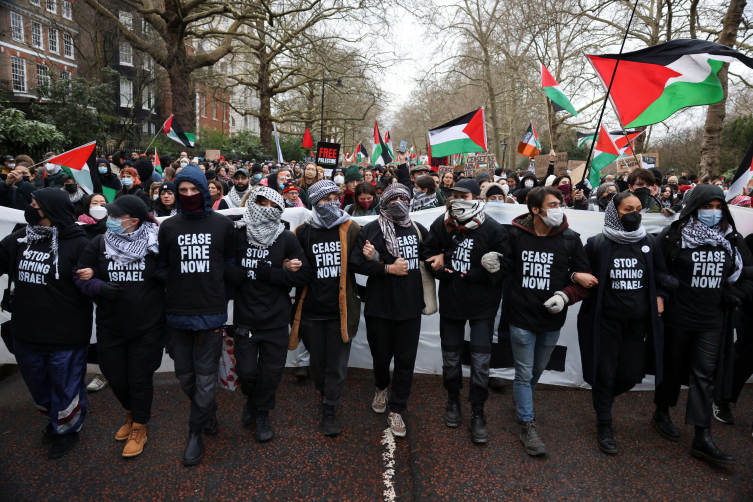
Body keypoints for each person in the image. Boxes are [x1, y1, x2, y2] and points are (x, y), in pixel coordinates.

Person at [652, 184, 753, 466]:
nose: (713, 212)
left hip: (713, 321)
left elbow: (748, 273)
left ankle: (702, 436)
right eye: (706, 206)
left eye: (718, 206)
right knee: (672, 368)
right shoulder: (674, 235)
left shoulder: (731, 238)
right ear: (694, 207)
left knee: (704, 375)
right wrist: (663, 288)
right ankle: (661, 412)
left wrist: (740, 293)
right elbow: (656, 269)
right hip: (678, 317)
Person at [578, 193, 673, 454]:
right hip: (606, 322)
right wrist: (578, 275)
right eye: (628, 209)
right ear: (614, 212)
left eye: (640, 209)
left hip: (637, 324)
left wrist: (660, 296)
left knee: (631, 375)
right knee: (605, 372)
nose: (635, 214)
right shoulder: (596, 244)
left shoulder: (649, 243)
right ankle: (604, 422)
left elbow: (662, 275)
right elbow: (578, 270)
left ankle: (602, 400)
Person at [0, 189, 92, 458]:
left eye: (34, 204)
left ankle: (66, 431)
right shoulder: (20, 239)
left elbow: (95, 286)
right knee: (39, 388)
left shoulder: (79, 244)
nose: (29, 208)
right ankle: (54, 422)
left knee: (66, 388)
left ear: (51, 210)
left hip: (65, 336)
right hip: (26, 333)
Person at [504, 186, 594, 456]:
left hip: (552, 320)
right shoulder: (515, 234)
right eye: (552, 205)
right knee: (523, 371)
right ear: (535, 209)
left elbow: (586, 280)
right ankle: (527, 423)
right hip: (520, 317)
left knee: (535, 371)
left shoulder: (570, 239)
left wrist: (566, 296)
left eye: (560, 204)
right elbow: (504, 267)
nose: (558, 209)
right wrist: (492, 261)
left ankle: (523, 402)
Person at [73, 195, 164, 458]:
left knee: (139, 378)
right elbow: (79, 275)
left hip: (148, 325)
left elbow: (174, 271)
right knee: (115, 377)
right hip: (111, 325)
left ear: (133, 221)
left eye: (115, 216)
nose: (109, 220)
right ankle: (130, 413)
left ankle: (139, 426)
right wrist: (98, 286)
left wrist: (163, 274)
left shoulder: (156, 243)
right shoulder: (99, 242)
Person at [157, 164, 236, 466]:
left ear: (204, 190)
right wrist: (175, 283)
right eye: (183, 190)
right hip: (177, 314)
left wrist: (219, 295)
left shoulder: (222, 225)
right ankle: (208, 413)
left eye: (194, 190)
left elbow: (229, 265)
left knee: (204, 379)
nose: (188, 195)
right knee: (185, 377)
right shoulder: (169, 227)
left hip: (211, 316)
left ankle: (195, 434)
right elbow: (162, 267)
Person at [422, 178, 512, 443]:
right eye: (454, 195)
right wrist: (437, 262)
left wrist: (489, 268)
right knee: (450, 358)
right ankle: (452, 400)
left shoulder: (493, 229)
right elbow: (428, 252)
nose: (458, 199)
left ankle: (478, 410)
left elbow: (508, 266)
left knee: (481, 362)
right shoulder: (442, 223)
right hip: (452, 301)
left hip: (483, 305)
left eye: (465, 195)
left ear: (476, 198)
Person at [225, 186, 311, 442]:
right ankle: (252, 400)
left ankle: (262, 411)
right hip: (245, 319)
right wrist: (230, 273)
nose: (267, 210)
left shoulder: (286, 238)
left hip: (275, 320)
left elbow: (304, 274)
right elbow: (219, 261)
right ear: (252, 204)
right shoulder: (237, 233)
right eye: (262, 204)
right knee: (248, 372)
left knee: (272, 373)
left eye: (274, 206)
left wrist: (273, 274)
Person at [349, 183, 429, 437]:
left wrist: (440, 260)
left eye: (403, 198)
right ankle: (381, 386)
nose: (398, 203)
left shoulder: (417, 229)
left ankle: (397, 410)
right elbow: (355, 263)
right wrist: (385, 268)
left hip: (410, 307)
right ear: (383, 200)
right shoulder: (371, 229)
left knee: (406, 361)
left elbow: (433, 255)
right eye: (393, 198)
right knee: (381, 357)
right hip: (379, 307)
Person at [290, 180, 361, 435]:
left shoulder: (350, 227)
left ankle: (330, 409)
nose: (331, 202)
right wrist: (289, 267)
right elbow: (293, 267)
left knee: (338, 366)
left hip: (340, 313)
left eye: (335, 196)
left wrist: (374, 257)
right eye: (325, 198)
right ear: (314, 201)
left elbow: (363, 261)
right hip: (310, 312)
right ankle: (323, 393)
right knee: (318, 366)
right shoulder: (301, 232)